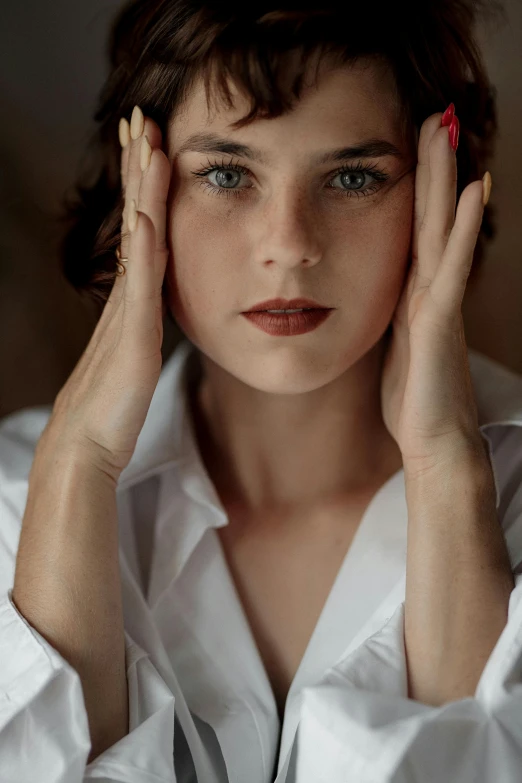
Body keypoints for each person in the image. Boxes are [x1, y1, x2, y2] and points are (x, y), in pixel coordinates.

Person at [1, 0, 522, 781]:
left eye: (352, 176)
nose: (289, 246)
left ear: (435, 192)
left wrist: (447, 463)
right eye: (227, 173)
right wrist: (77, 459)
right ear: (141, 180)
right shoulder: (13, 498)